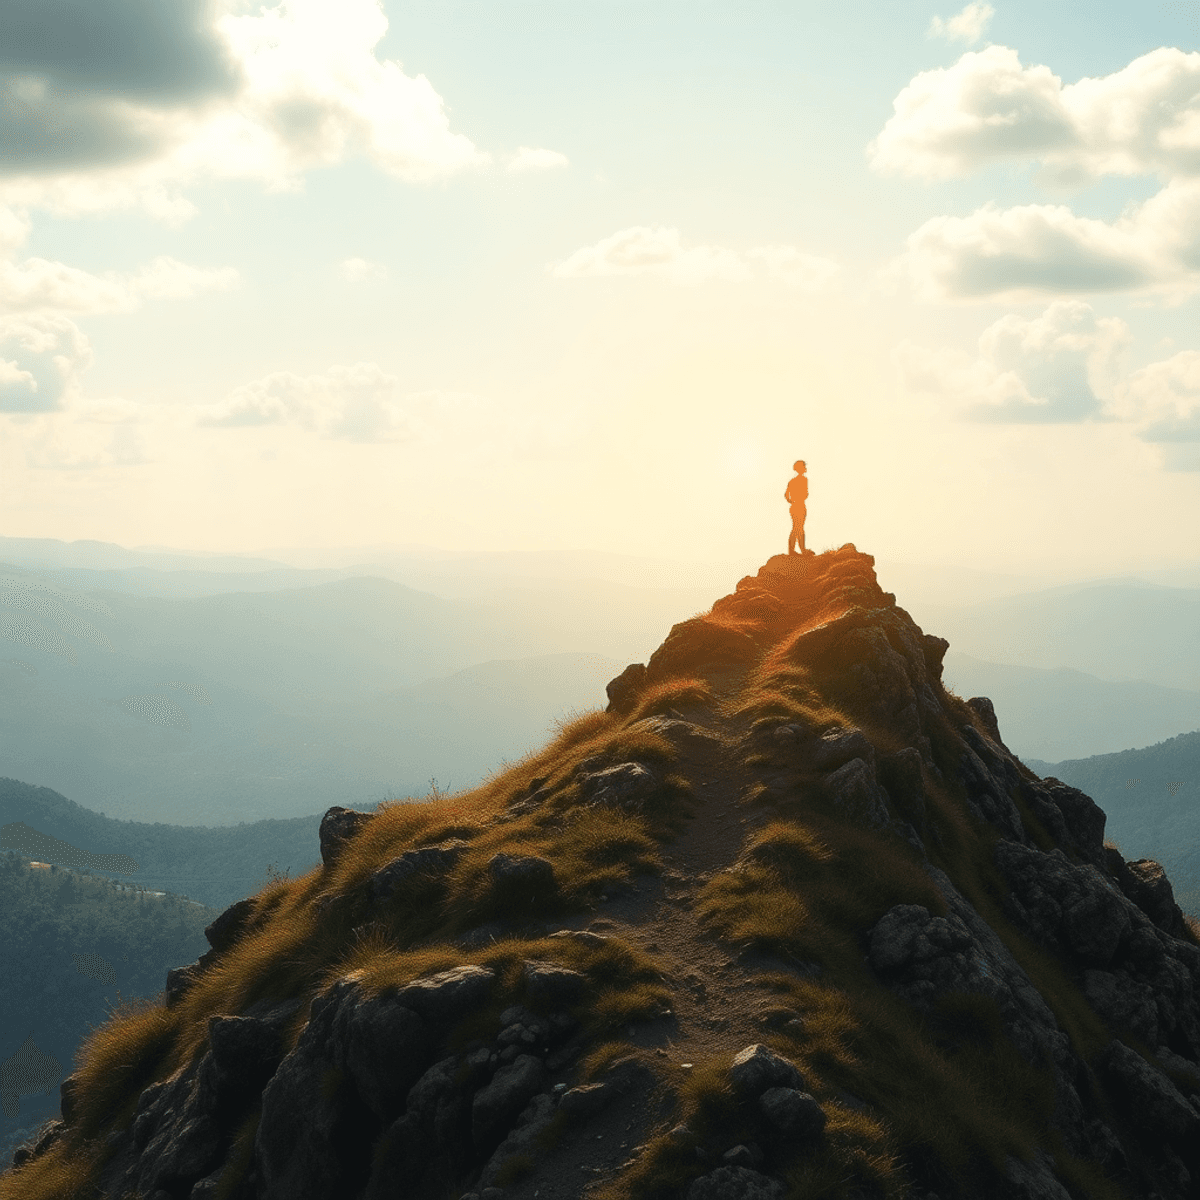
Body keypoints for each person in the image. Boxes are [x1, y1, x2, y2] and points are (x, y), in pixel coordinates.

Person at [784, 461, 808, 555]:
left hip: (794, 506)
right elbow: (805, 494)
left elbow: (786, 495)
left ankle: (793, 550)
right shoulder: (803, 479)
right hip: (800, 505)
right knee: (799, 528)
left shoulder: (792, 481)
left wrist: (792, 501)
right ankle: (801, 550)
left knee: (796, 528)